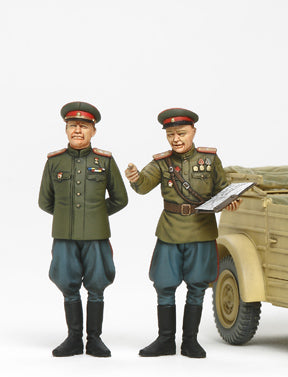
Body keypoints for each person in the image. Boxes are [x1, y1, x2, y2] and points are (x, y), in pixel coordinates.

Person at [125, 108, 240, 358]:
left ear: (193, 132)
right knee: (164, 285)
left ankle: (190, 341)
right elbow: (143, 186)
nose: (176, 139)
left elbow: (222, 189)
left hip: (201, 231)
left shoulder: (209, 159)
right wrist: (135, 178)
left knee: (197, 286)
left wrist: (230, 201)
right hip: (170, 232)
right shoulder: (161, 162)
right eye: (170, 134)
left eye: (181, 133)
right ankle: (165, 340)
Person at [39, 101, 128, 357]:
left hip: (96, 236)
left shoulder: (105, 160)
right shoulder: (54, 162)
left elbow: (120, 199)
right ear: (66, 129)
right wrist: (69, 217)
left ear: (93, 130)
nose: (77, 130)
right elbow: (44, 201)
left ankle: (94, 339)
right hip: (64, 236)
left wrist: (94, 215)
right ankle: (74, 339)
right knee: (67, 284)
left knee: (97, 284)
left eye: (84, 126)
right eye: (72, 126)